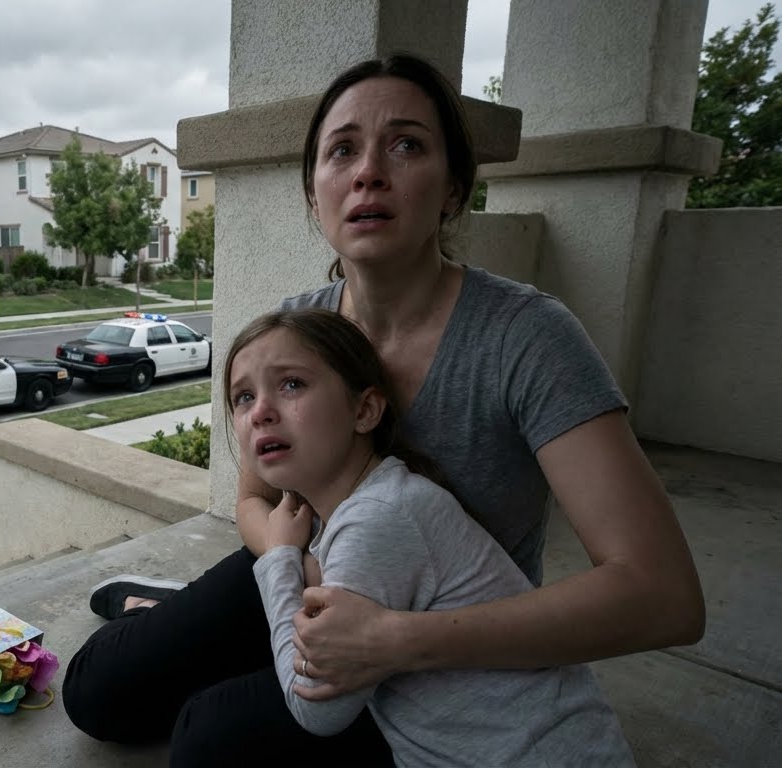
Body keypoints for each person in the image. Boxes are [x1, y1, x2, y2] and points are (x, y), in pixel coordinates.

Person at [63, 53, 704, 765]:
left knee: (208, 741)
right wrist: (293, 577)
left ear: (453, 190)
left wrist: (394, 638)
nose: (368, 171)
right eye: (341, 150)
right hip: (309, 577)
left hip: (448, 640)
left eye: (406, 144)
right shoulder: (296, 330)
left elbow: (661, 595)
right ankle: (160, 611)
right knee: (97, 693)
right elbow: (254, 500)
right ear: (314, 195)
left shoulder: (526, 338)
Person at [227, 308, 632, 765]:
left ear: (364, 410)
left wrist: (280, 555)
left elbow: (313, 706)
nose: (260, 412)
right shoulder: (377, 500)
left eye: (292, 384)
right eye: (242, 397)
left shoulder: (377, 521)